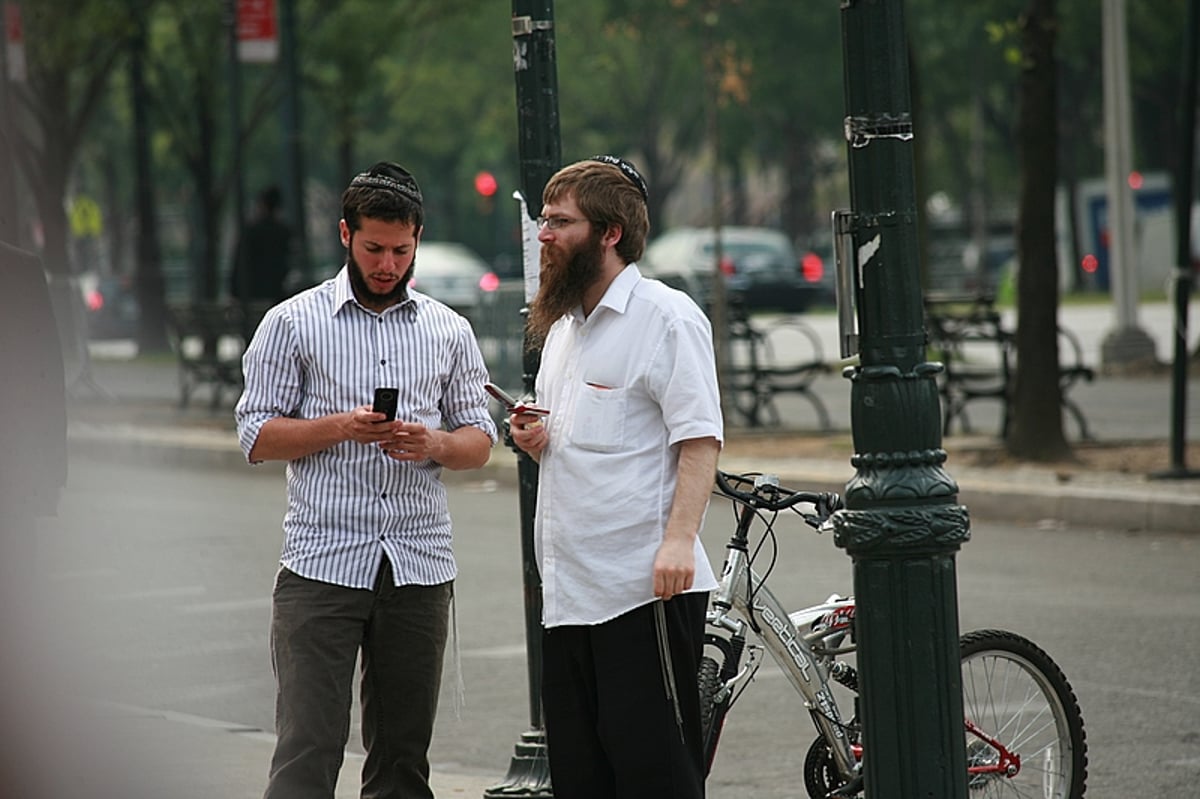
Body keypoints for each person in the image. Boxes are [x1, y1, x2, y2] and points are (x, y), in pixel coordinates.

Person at [234, 161, 498, 799]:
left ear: (418, 241)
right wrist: (340, 427)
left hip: (417, 565)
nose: (387, 265)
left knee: (404, 760)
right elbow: (255, 435)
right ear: (345, 234)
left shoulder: (448, 329)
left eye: (402, 251)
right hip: (322, 562)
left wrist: (434, 442)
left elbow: (480, 442)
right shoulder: (293, 323)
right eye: (374, 248)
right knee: (307, 749)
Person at [509, 156, 724, 799]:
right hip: (569, 595)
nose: (543, 234)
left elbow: (699, 439)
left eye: (559, 222)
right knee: (583, 781)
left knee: (657, 779)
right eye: (544, 220)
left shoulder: (668, 317)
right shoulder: (562, 331)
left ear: (609, 234)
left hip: (642, 593)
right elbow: (585, 443)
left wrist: (679, 542)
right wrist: (536, 440)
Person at [231, 185, 293, 304]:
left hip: (252, 294)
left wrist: (235, 291)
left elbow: (240, 263)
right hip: (277, 292)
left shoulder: (251, 231)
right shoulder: (284, 232)